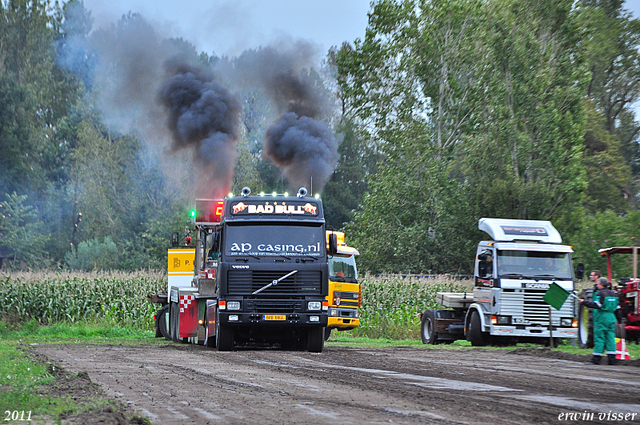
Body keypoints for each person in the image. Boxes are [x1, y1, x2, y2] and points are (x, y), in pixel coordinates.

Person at [579, 277, 619, 365]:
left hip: (602, 317)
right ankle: (612, 360)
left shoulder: (600, 294)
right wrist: (619, 321)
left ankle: (596, 360)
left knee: (599, 338)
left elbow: (596, 305)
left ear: (601, 285)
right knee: (610, 338)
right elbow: (617, 308)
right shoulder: (614, 294)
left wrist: (584, 302)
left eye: (598, 284)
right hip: (611, 317)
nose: (597, 285)